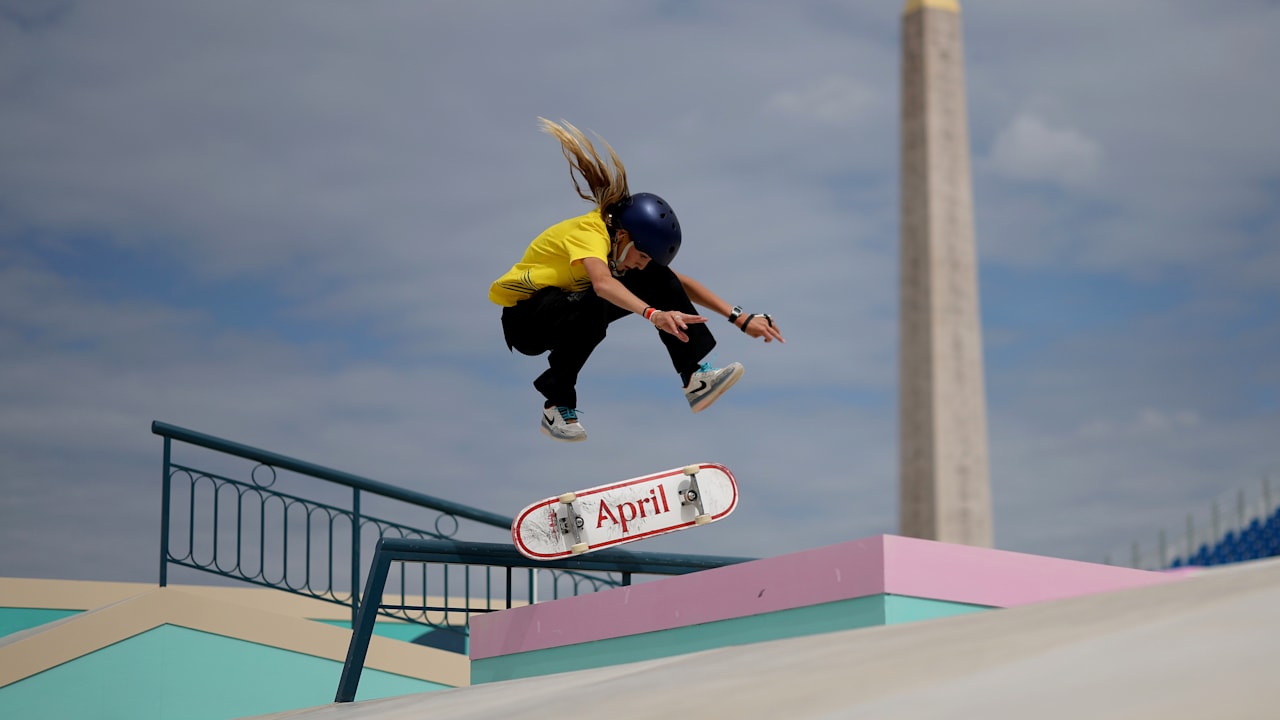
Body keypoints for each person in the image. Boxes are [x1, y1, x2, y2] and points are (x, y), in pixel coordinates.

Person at [490, 118, 785, 442]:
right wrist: (654, 314)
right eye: (641, 256)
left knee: (660, 280)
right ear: (624, 236)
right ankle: (557, 404)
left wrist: (739, 318)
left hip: (565, 307)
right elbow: (602, 284)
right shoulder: (590, 233)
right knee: (597, 305)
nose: (639, 264)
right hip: (527, 319)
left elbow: (679, 283)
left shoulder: (621, 246)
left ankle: (693, 378)